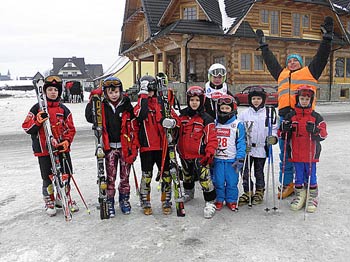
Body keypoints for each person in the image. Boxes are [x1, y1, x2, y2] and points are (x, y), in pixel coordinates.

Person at [255, 16, 333, 198]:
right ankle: (288, 183)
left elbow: (322, 56)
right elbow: (271, 61)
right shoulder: (281, 74)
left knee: (305, 153)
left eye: (295, 60)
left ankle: (306, 183)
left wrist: (327, 38)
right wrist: (263, 46)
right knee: (286, 154)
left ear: (301, 63)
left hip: (305, 118)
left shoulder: (310, 71)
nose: (292, 63)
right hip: (285, 118)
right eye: (289, 60)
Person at [22, 75, 78, 217]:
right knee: (48, 177)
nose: (53, 92)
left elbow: (70, 129)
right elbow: (27, 127)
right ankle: (49, 200)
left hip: (60, 148)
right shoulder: (36, 108)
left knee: (66, 174)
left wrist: (66, 141)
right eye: (50, 89)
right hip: (44, 150)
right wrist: (37, 121)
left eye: (56, 90)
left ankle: (64, 197)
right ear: (44, 91)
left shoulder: (64, 109)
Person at [85, 76, 137, 217]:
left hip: (124, 147)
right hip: (109, 148)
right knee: (110, 177)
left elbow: (134, 122)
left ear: (120, 91)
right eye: (110, 92)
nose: (114, 95)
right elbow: (90, 117)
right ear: (105, 93)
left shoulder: (126, 105)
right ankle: (109, 201)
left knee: (125, 176)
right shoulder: (101, 105)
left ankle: (124, 200)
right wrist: (93, 99)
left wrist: (134, 146)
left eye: (116, 92)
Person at [279, 86, 327, 212]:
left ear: (311, 100)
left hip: (311, 153)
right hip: (296, 151)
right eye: (302, 98)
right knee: (299, 175)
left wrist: (315, 131)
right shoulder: (291, 116)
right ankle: (300, 194)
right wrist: (285, 129)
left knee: (311, 174)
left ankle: (312, 196)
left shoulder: (316, 117)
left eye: (307, 99)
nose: (304, 101)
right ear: (297, 99)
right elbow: (281, 135)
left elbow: (323, 134)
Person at [133, 74, 176, 216]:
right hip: (147, 146)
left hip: (162, 145)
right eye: (147, 90)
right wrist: (143, 96)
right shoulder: (140, 103)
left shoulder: (162, 103)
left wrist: (173, 122)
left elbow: (173, 115)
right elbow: (140, 115)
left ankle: (166, 200)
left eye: (151, 90)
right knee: (147, 175)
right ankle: (145, 200)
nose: (149, 93)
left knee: (166, 174)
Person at [177, 86, 218, 219]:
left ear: (201, 101)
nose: (194, 103)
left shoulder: (206, 118)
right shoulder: (182, 116)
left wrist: (209, 153)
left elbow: (211, 138)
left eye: (197, 100)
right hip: (184, 154)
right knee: (187, 175)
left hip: (200, 156)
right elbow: (175, 131)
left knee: (204, 179)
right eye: (192, 100)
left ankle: (210, 201)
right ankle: (189, 192)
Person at [237, 87, 278, 206]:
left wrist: (273, 137)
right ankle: (248, 191)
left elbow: (274, 128)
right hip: (248, 148)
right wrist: (242, 142)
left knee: (258, 171)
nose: (256, 101)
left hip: (261, 147)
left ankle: (259, 191)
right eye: (254, 98)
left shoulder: (268, 113)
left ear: (263, 99)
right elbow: (239, 129)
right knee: (244, 171)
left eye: (258, 98)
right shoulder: (244, 113)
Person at [213, 94, 245, 211]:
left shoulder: (237, 124)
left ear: (233, 109)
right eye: (222, 108)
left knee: (232, 182)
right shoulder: (215, 123)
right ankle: (220, 199)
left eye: (227, 108)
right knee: (218, 181)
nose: (224, 110)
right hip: (218, 159)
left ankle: (231, 200)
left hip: (232, 160)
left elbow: (241, 142)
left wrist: (240, 157)